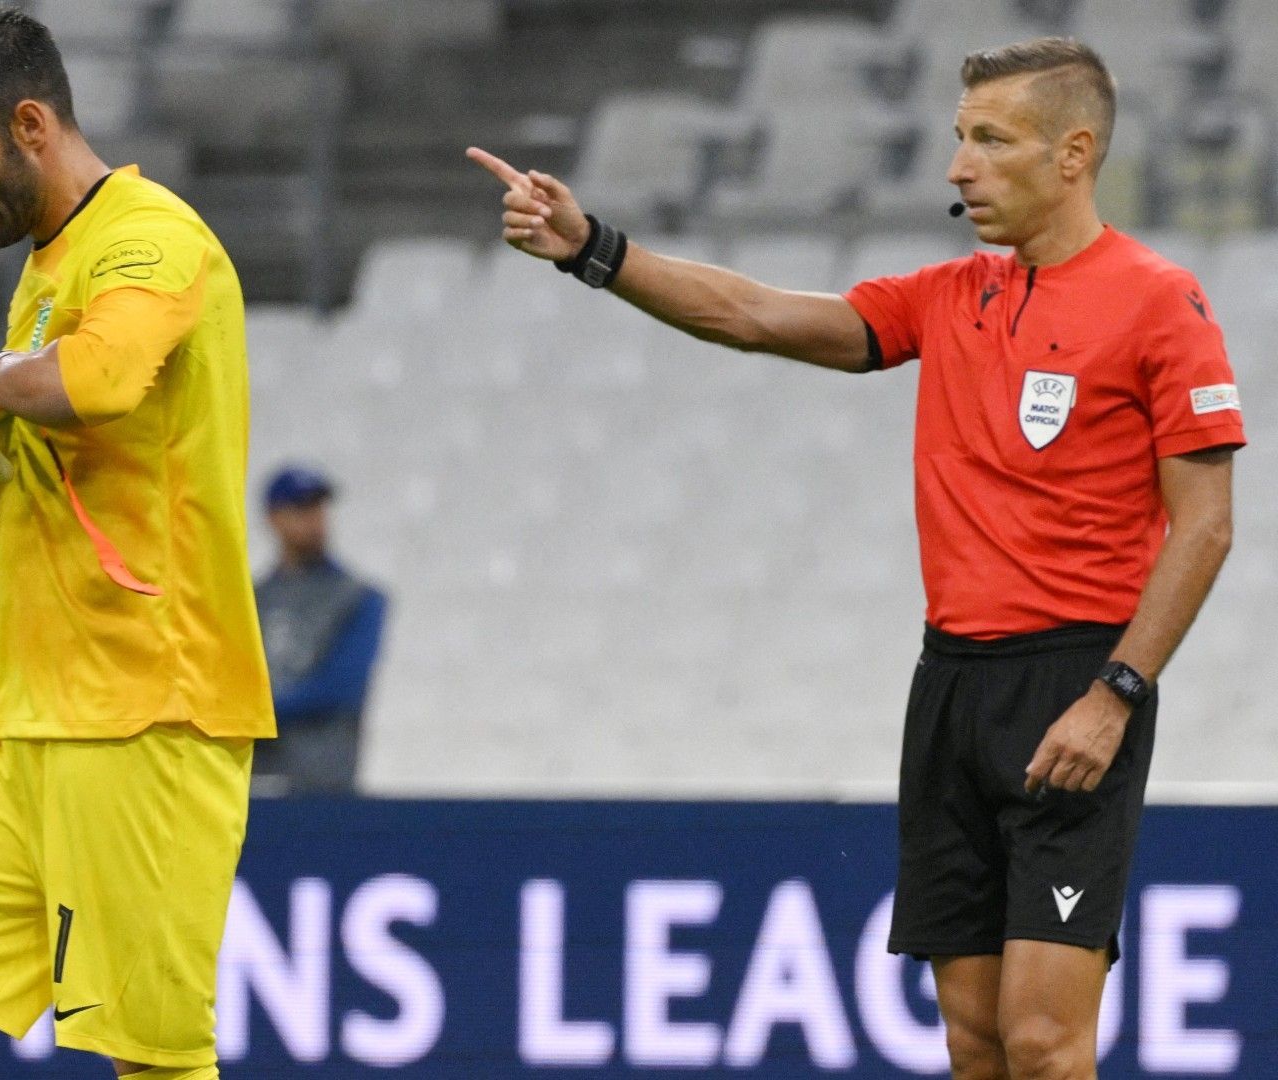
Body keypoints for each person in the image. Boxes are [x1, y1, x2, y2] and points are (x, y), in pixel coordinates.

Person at [471, 37, 1241, 1080]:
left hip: (1074, 685)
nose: (958, 166)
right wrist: (594, 250)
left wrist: (1116, 692)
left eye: (989, 140)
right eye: (959, 137)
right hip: (951, 687)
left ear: (1074, 153)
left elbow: (1205, 525)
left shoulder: (1159, 301)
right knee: (973, 1041)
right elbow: (752, 316)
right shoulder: (951, 293)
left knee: (1048, 1043)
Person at [0, 8, 274, 1079]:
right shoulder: (51, 261)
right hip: (20, 715)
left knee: (152, 1062)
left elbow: (96, 379)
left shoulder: (149, 237)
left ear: (29, 123)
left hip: (145, 713)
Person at [252, 464, 388, 795]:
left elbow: (341, 686)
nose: (315, 520)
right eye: (300, 508)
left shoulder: (358, 597)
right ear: (273, 518)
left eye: (319, 508)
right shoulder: (251, 598)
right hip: (252, 779)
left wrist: (256, 714)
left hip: (324, 783)